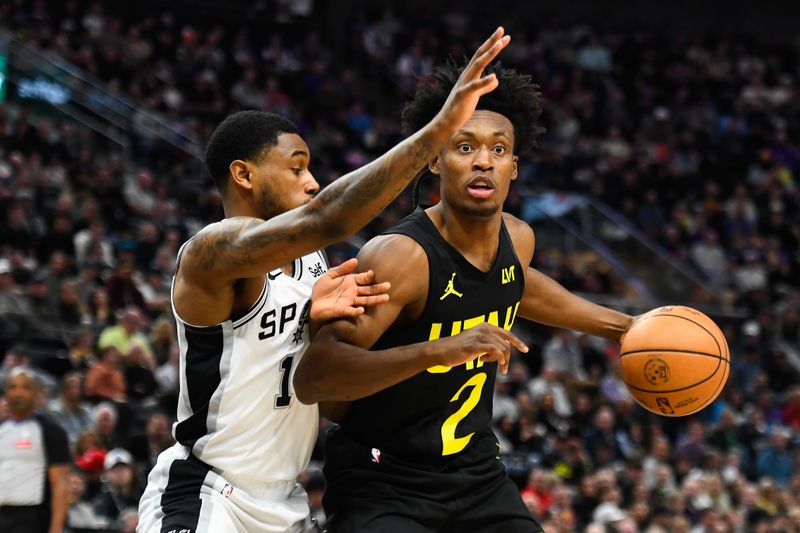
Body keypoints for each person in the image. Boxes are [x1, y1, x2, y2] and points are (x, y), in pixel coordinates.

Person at [136, 27, 514, 533]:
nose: (311, 181)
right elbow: (327, 216)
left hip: (286, 504)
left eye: (310, 169)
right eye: (296, 169)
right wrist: (440, 130)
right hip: (209, 493)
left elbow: (326, 393)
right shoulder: (211, 252)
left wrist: (318, 329)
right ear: (244, 176)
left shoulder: (314, 264)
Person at [296, 59, 634, 532]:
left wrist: (624, 327)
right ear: (434, 159)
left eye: (499, 149)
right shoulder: (401, 256)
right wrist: (439, 350)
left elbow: (520, 283)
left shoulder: (518, 239)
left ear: (513, 168)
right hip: (384, 477)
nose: (483, 161)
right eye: (465, 146)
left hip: (476, 475)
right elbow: (315, 378)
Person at [0, 368, 70, 533]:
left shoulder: (51, 430)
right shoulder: (2, 429)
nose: (18, 393)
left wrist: (55, 529)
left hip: (33, 518)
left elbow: (60, 485)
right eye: (13, 387)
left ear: (37, 393)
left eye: (25, 387)